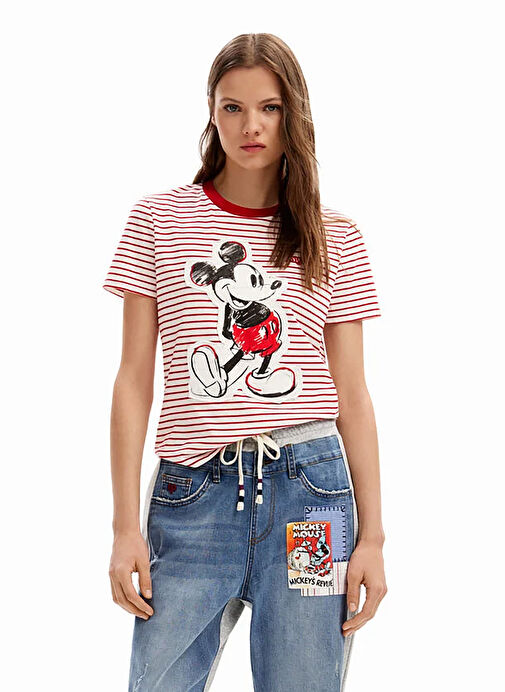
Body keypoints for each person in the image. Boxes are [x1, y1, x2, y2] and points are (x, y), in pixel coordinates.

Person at [103, 32, 387, 692]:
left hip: (309, 497)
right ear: (212, 112)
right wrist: (123, 528)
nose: (250, 125)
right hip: (192, 495)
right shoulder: (158, 220)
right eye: (233, 107)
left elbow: (353, 394)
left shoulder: (334, 235)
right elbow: (133, 380)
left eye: (269, 108)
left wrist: (372, 538)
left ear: (294, 115)